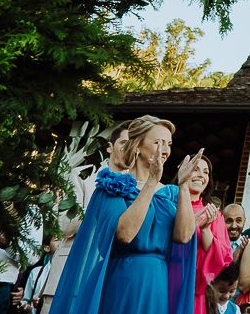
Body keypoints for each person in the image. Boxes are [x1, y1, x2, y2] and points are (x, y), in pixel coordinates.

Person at [49, 115, 203, 314]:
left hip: (158, 282)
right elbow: (125, 234)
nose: (165, 149)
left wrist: (183, 186)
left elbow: (183, 236)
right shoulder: (113, 187)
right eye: (158, 142)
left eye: (168, 143)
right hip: (124, 278)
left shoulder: (169, 193)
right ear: (137, 145)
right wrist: (150, 183)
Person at [43, 121, 130, 314]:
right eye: (123, 142)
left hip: (111, 276)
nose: (128, 148)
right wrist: (98, 208)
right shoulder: (82, 177)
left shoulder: (136, 188)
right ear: (110, 147)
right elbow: (63, 227)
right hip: (73, 270)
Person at [185, 154, 232, 314]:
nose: (201, 175)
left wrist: (205, 229)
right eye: (195, 169)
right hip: (165, 279)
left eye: (205, 172)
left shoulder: (214, 215)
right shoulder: (168, 203)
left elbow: (222, 256)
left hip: (196, 288)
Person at [19, 234, 61, 313]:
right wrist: (29, 307)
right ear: (47, 248)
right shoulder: (36, 272)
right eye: (57, 239)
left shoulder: (73, 273)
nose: (62, 242)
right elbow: (25, 301)